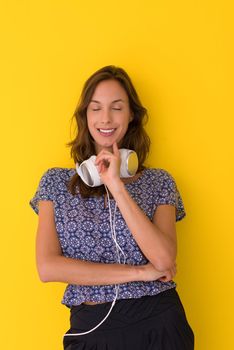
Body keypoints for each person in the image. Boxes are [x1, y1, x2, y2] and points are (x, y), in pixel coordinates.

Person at [30, 65, 194, 349]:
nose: (106, 118)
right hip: (91, 328)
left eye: (117, 108)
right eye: (96, 108)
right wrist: (140, 273)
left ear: (131, 115)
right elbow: (47, 267)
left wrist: (116, 185)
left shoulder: (159, 182)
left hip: (160, 323)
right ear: (85, 116)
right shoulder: (54, 183)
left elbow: (165, 261)